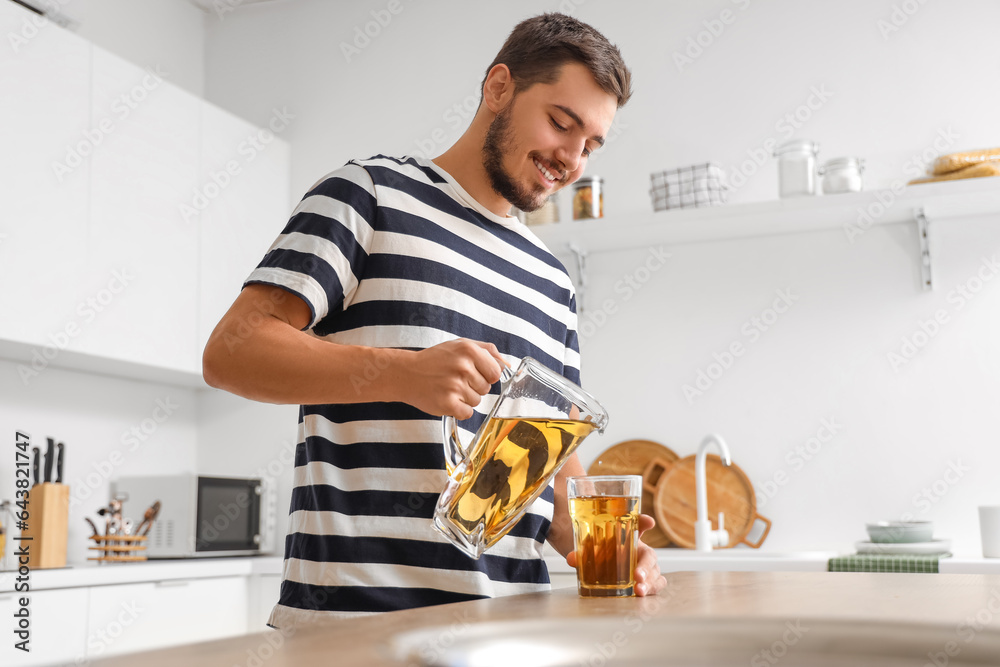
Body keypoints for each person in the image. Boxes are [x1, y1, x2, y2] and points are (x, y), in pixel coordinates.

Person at [203, 12, 667, 628]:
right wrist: (402, 374)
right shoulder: (369, 195)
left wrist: (600, 545)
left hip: (512, 633)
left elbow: (547, 462)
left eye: (591, 144)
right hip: (351, 627)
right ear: (499, 87)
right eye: (561, 123)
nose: (572, 158)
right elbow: (231, 353)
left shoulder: (553, 281)